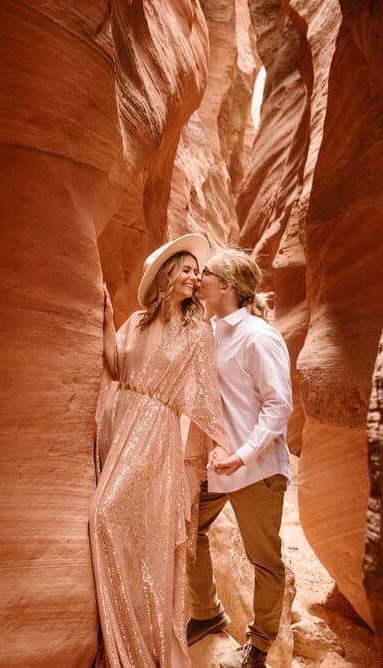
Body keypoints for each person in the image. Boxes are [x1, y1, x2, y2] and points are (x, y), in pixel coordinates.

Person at [90, 234, 235, 668]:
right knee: (120, 525)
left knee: (108, 518)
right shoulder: (134, 322)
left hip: (156, 434)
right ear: (167, 275)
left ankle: (143, 643)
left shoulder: (196, 331)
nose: (195, 277)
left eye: (197, 270)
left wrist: (219, 447)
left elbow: (207, 397)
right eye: (187, 269)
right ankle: (118, 630)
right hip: (120, 423)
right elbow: (115, 369)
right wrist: (105, 320)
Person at [187, 249, 294, 668]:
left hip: (257, 470)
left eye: (206, 273)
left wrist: (244, 455)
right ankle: (207, 613)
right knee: (186, 531)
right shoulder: (210, 330)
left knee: (264, 560)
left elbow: (278, 406)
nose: (199, 278)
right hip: (217, 465)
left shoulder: (258, 336)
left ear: (227, 286)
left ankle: (259, 647)